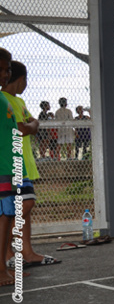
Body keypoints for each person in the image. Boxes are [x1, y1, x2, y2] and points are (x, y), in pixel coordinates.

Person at [2, 62, 54, 267]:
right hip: (10, 164)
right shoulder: (4, 100)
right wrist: (32, 126)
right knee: (20, 206)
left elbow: (31, 122)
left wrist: (32, 125)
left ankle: (27, 252)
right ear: (21, 79)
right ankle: (6, 255)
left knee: (25, 207)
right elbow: (23, 128)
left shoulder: (19, 101)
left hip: (24, 164)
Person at [0, 50, 23, 287]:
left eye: (7, 70)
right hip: (2, 169)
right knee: (4, 218)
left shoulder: (4, 99)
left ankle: (1, 267)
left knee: (7, 217)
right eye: (1, 70)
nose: (5, 74)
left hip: (8, 167)